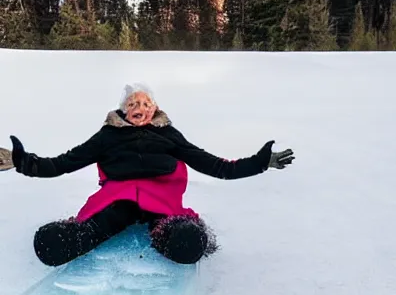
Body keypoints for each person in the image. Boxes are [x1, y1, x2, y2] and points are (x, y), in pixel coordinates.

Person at [7, 84, 295, 266]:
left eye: (145, 104)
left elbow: (216, 166)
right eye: (132, 104)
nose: (139, 108)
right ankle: (68, 239)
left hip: (161, 198)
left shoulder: (169, 135)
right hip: (117, 197)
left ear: (155, 109)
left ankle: (175, 238)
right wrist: (25, 163)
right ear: (122, 111)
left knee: (181, 234)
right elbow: (63, 163)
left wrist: (259, 162)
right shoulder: (107, 136)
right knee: (99, 223)